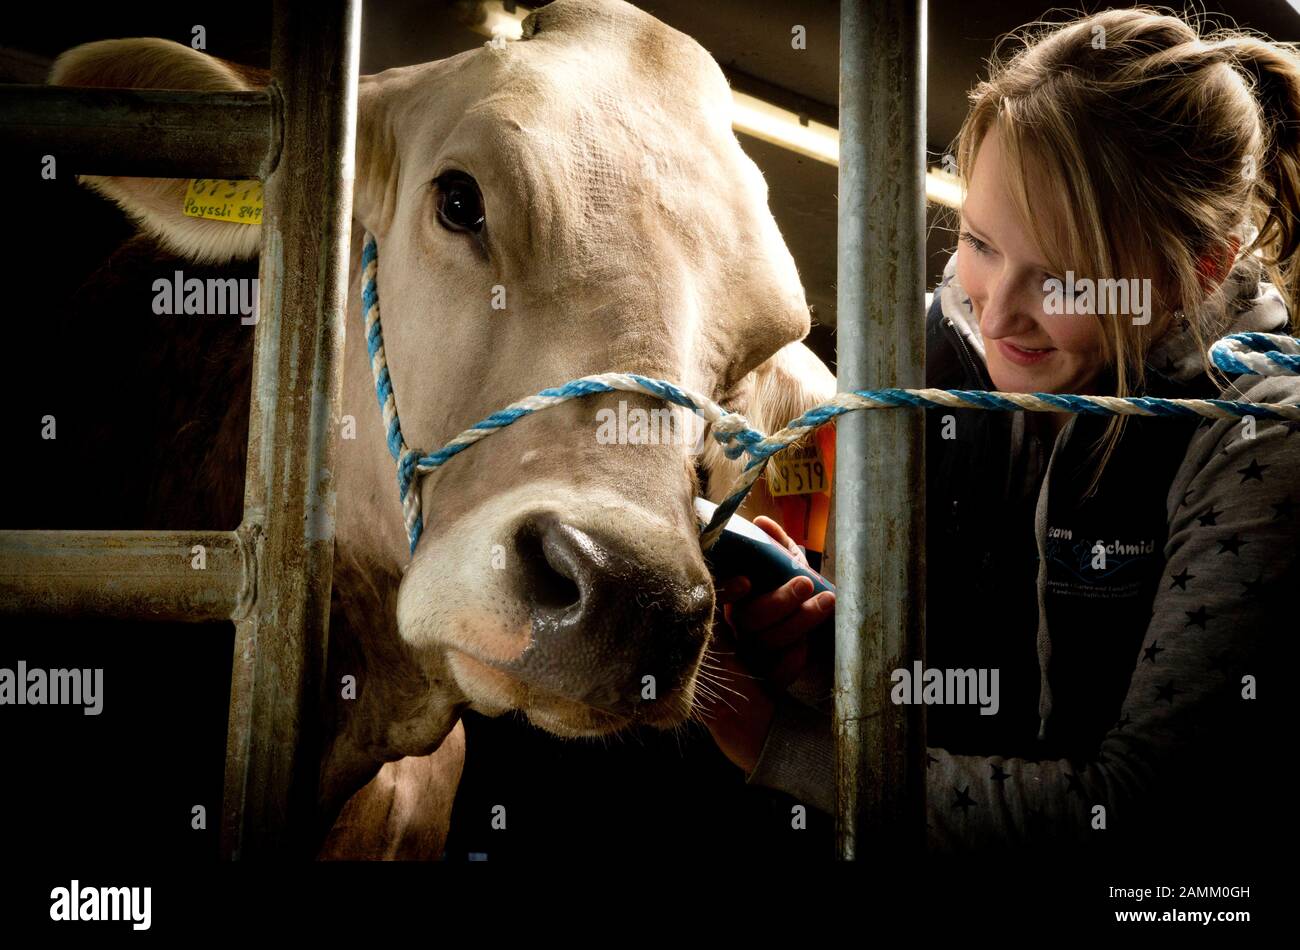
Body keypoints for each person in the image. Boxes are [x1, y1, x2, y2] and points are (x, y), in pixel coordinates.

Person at [701, 7, 1300, 856]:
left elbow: (1140, 814)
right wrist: (833, 650)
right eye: (980, 242)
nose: (998, 309)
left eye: (1060, 277)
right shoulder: (915, 357)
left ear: (1200, 266)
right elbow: (961, 699)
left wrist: (789, 749)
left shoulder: (1259, 441)